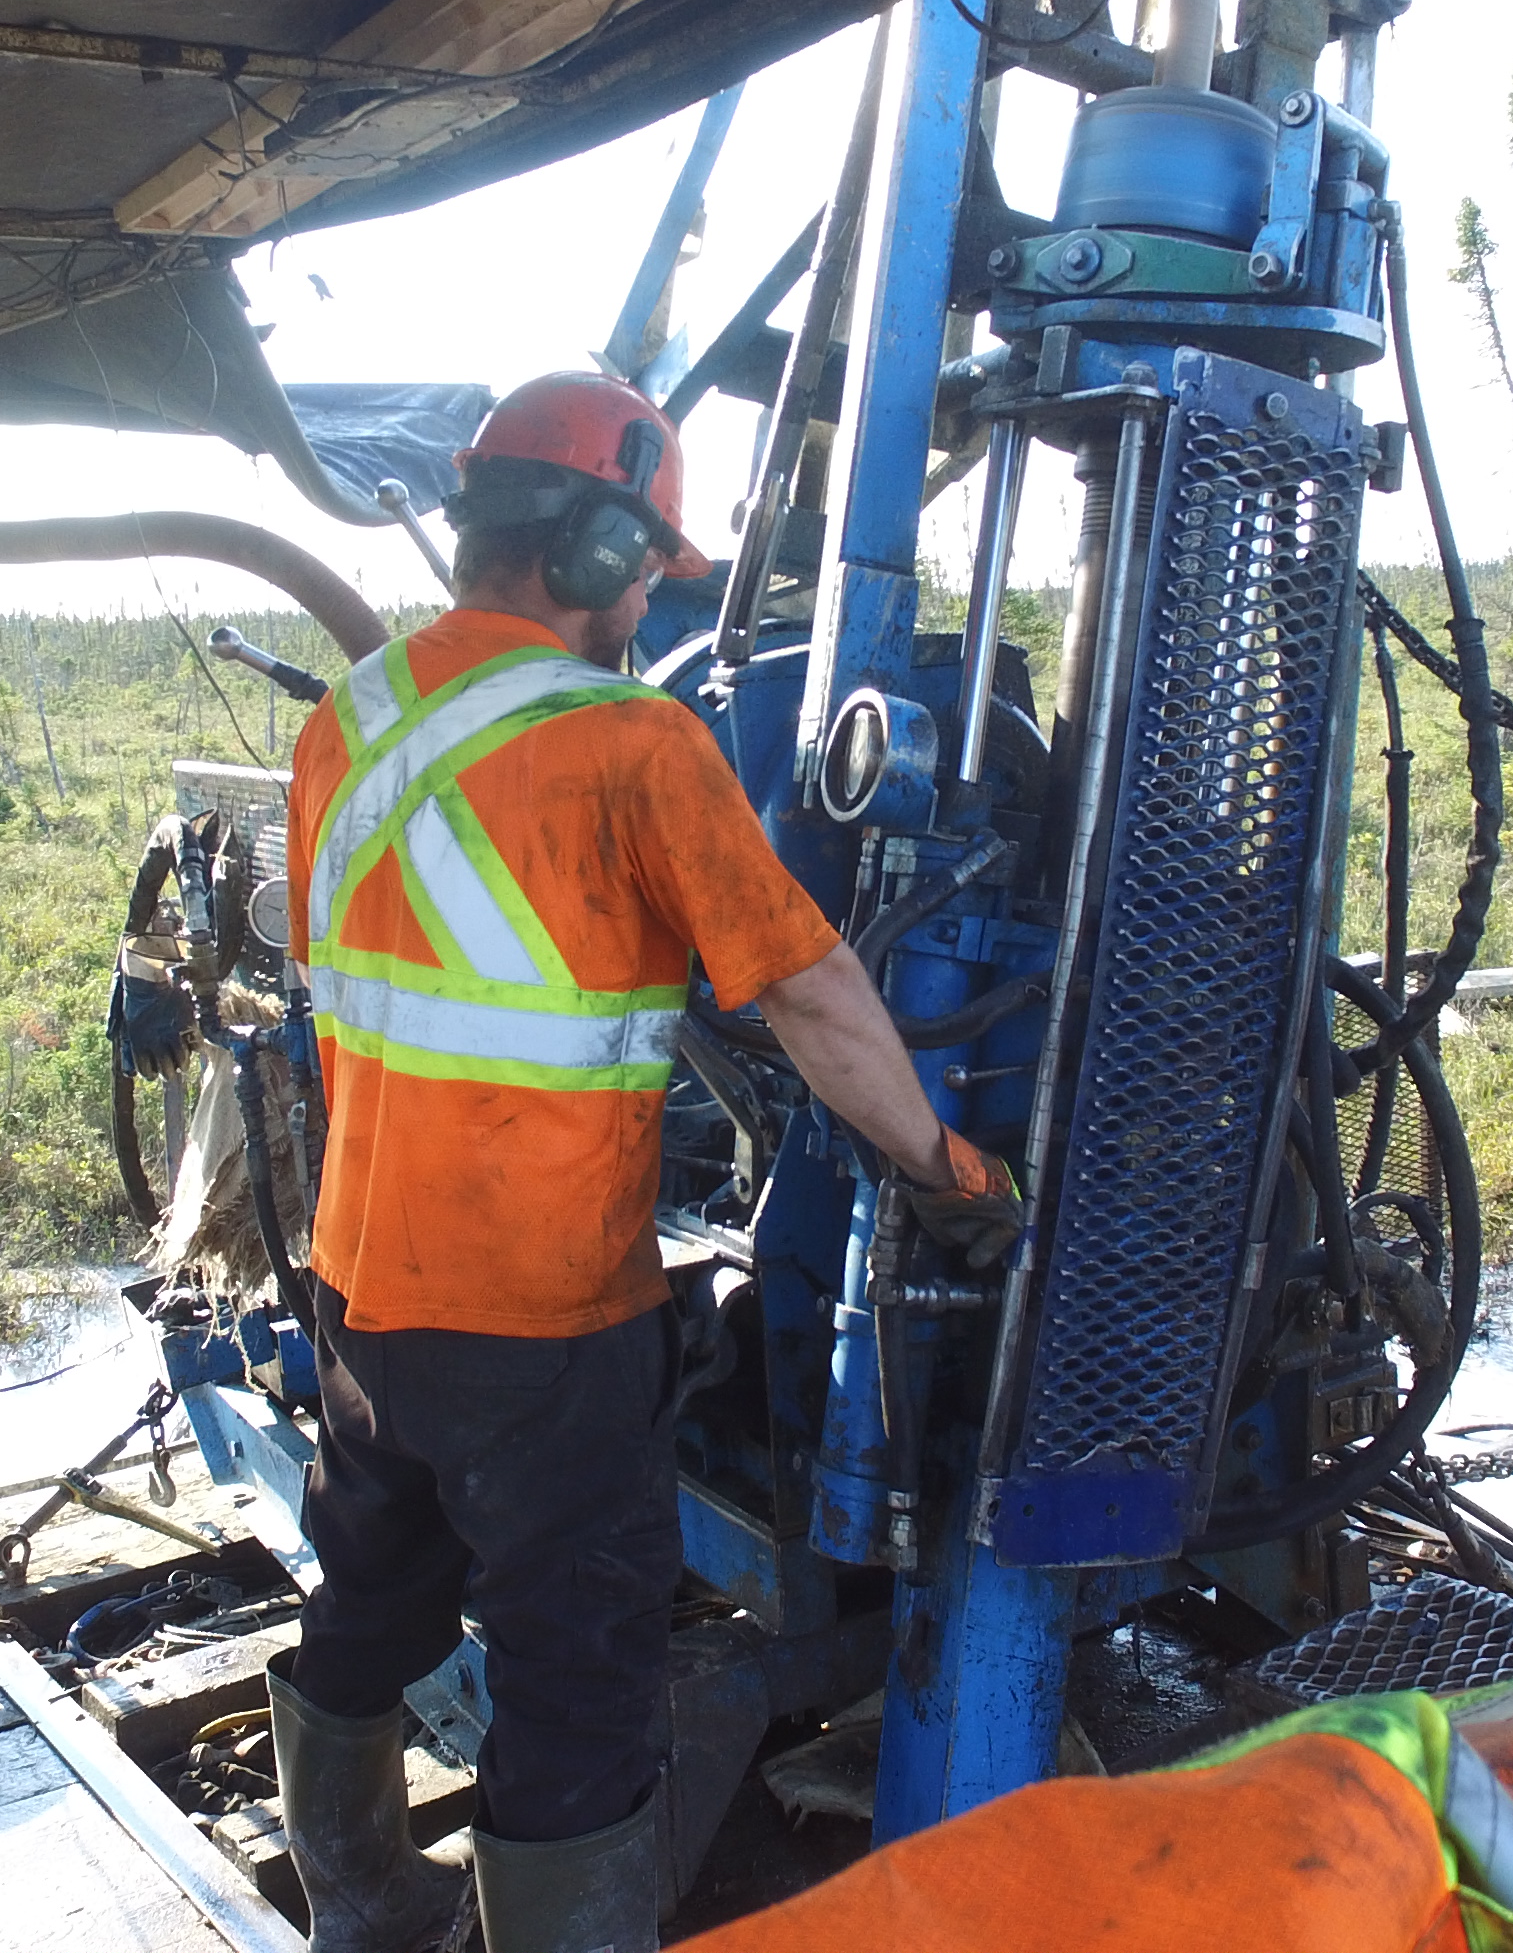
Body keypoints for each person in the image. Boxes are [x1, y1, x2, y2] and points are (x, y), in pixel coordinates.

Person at [273, 372, 1021, 1953]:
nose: (645, 602)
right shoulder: (633, 739)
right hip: (541, 1317)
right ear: (597, 540)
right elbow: (814, 993)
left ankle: (357, 1902)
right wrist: (949, 1167)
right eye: (643, 570)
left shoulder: (348, 722)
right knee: (577, 1676)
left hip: (363, 1283)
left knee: (371, 1593)